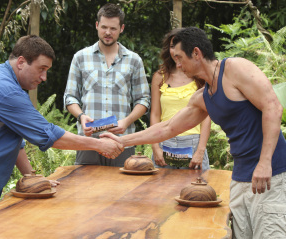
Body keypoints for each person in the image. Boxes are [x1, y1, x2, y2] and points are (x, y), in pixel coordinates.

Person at [101, 27, 286, 238]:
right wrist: (121, 140)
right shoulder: (203, 97)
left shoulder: (234, 68)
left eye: (179, 58)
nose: (177, 65)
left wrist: (265, 162)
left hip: (271, 174)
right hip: (240, 177)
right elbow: (167, 128)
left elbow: (273, 107)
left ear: (196, 53)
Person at [0, 35, 123, 230]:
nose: (44, 78)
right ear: (21, 62)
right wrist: (99, 144)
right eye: (41, 69)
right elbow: (49, 134)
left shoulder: (2, 79)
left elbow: (15, 141)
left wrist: (32, 178)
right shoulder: (4, 90)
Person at [63, 3, 150, 167]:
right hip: (88, 142)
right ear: (97, 25)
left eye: (113, 28)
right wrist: (81, 117)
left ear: (121, 28)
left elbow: (143, 99)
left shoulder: (134, 60)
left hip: (122, 142)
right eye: (104, 27)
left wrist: (127, 121)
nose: (108, 32)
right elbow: (70, 97)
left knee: (123, 190)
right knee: (85, 190)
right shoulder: (80, 57)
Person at [150, 28, 211, 170]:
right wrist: (155, 147)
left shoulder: (200, 76)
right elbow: (155, 114)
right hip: (164, 141)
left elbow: (206, 116)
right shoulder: (160, 76)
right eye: (172, 47)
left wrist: (201, 150)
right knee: (161, 190)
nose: (175, 51)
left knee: (195, 191)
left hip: (193, 143)